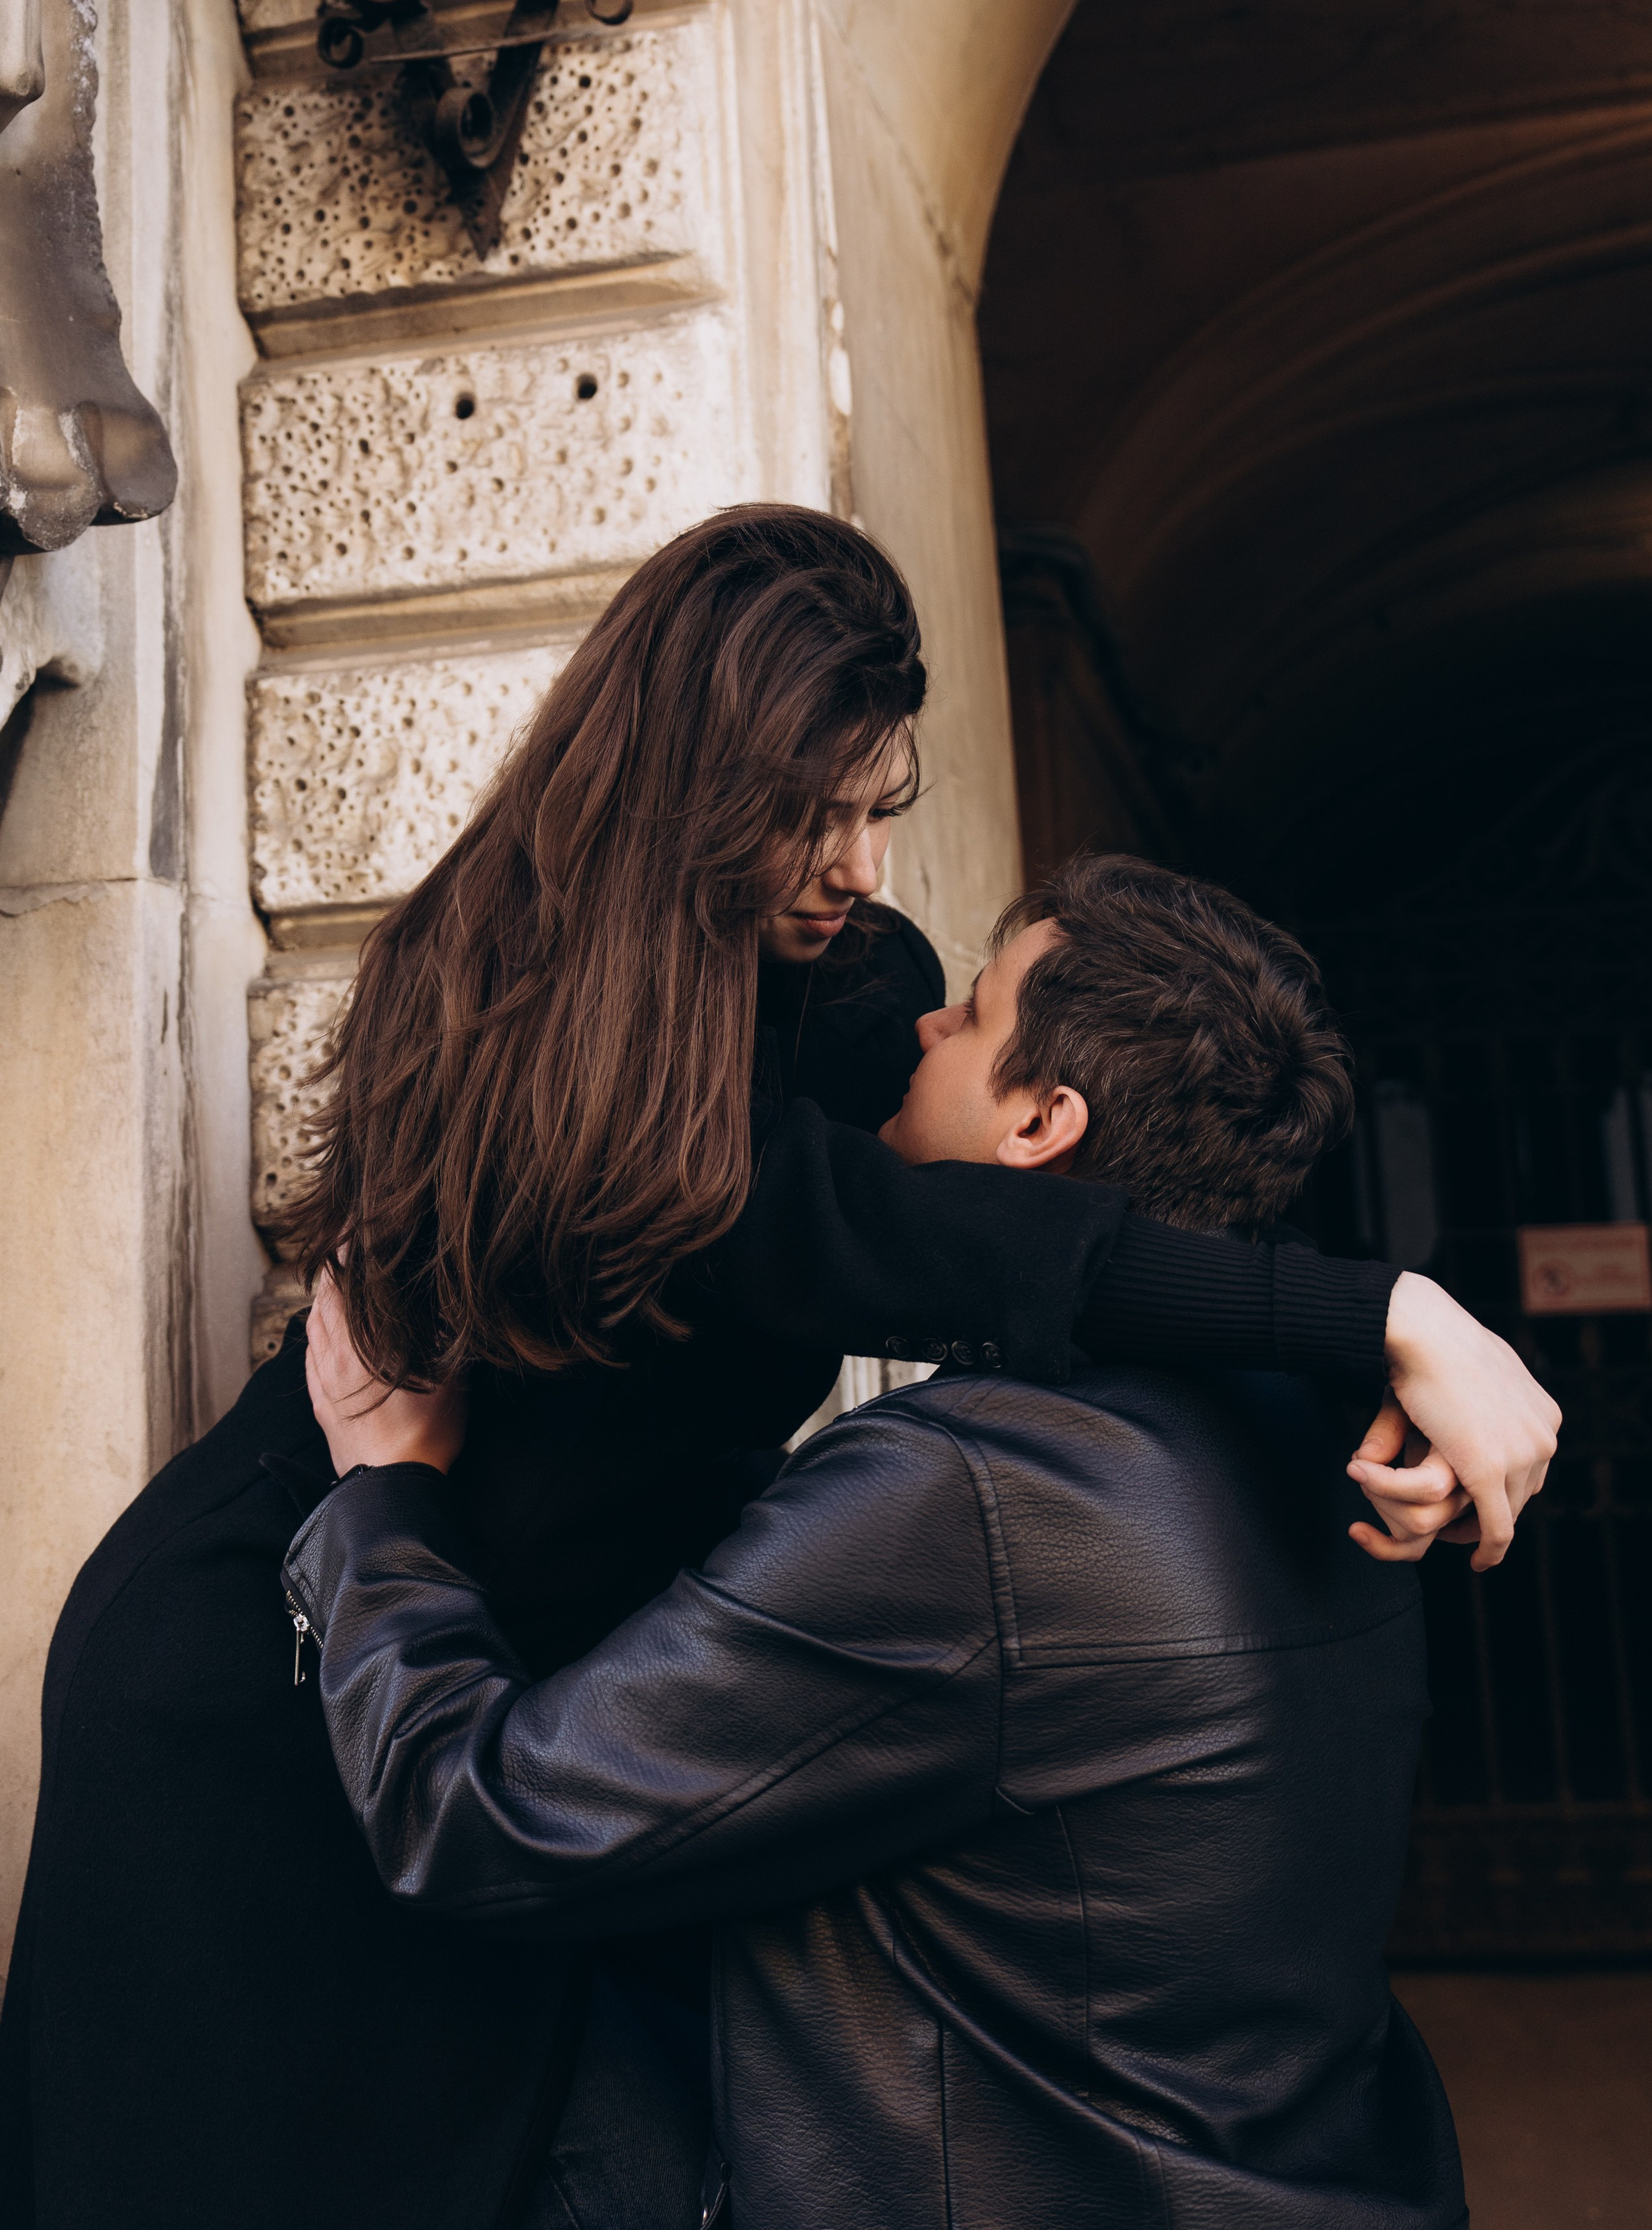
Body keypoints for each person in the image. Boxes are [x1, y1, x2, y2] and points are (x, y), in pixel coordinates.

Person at [0, 512, 1552, 2230]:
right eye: (816, 815)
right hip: (269, 1673)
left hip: (482, 1690)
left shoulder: (853, 987)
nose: (862, 869)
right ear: (698, 787)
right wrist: (1381, 1313)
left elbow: (1054, 1202)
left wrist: (1337, 1371)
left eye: (879, 810)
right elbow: (936, 1241)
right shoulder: (538, 1035)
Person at [292, 856, 1484, 2230]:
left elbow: (478, 1819)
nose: (926, 1024)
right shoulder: (1330, 1430)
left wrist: (387, 1494)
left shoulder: (969, 1496)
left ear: (1039, 1122)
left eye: (970, 1013)